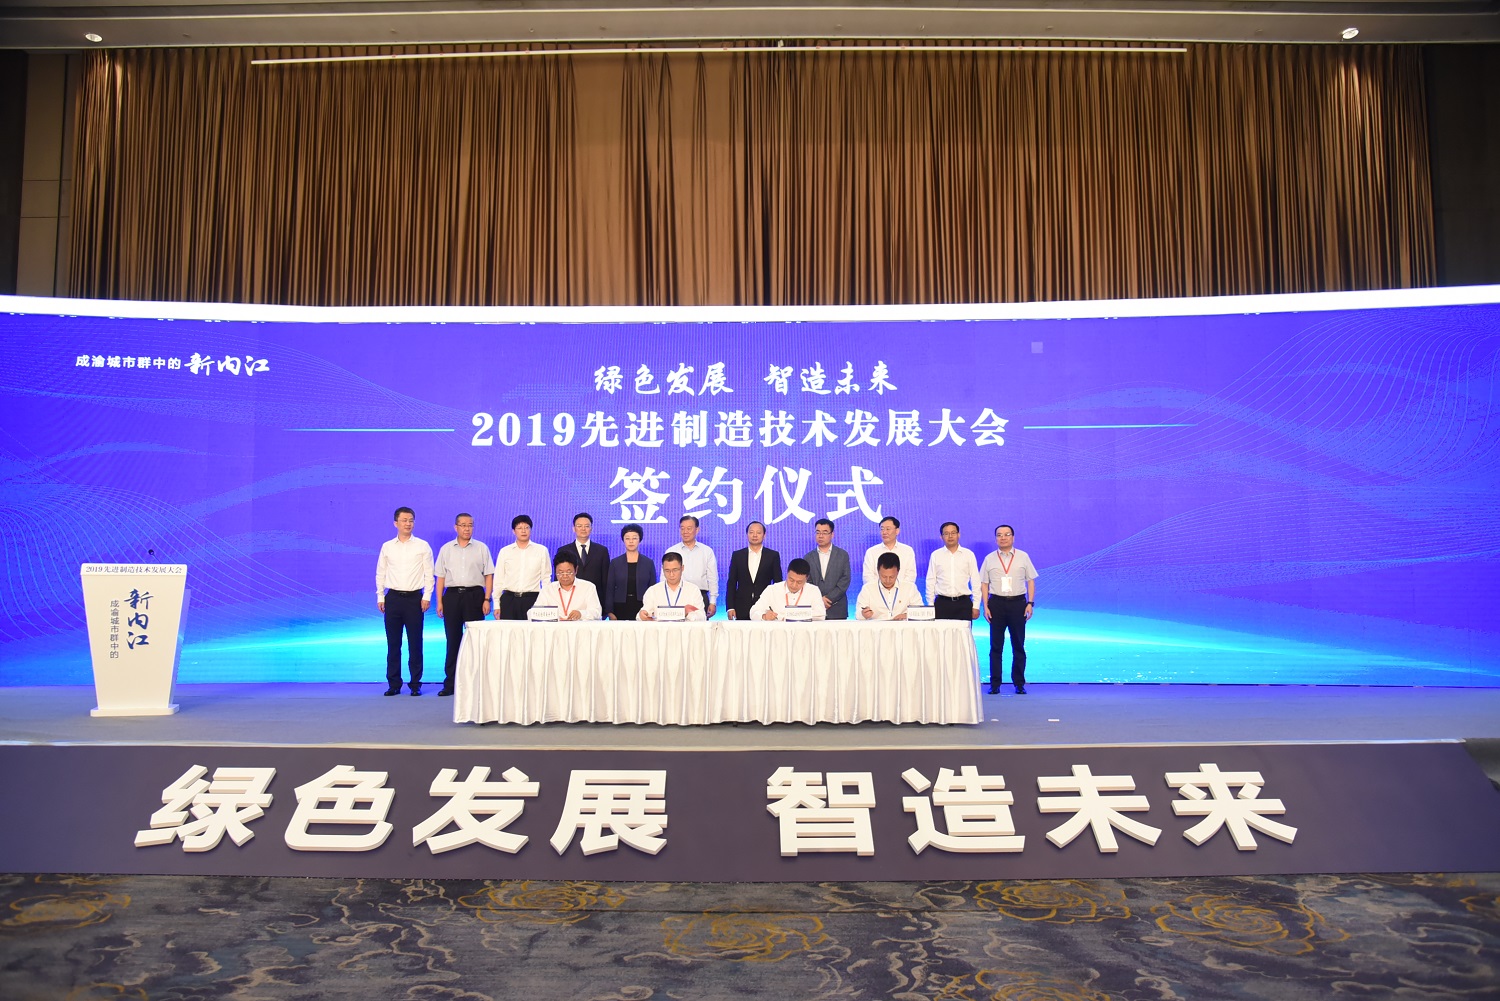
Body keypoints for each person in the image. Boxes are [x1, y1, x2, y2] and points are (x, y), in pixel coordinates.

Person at [432, 512, 494, 696]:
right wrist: (439, 601)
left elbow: (488, 575)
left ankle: (475, 683)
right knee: (453, 640)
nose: (467, 529)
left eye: (470, 525)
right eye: (464, 525)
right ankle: (450, 683)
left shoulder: (481, 548)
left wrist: (487, 598)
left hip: (475, 596)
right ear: (456, 527)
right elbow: (440, 577)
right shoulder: (446, 549)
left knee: (475, 641)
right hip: (452, 596)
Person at [375, 506, 433, 696]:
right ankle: (394, 684)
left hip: (414, 599)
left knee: (415, 643)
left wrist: (426, 596)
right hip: (392, 598)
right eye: (404, 520)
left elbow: (429, 573)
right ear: (396, 523)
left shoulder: (422, 546)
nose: (408, 524)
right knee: (393, 644)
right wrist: (380, 596)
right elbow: (381, 572)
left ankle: (415, 684)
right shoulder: (387, 546)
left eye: (411, 520)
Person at [980, 524, 1039, 695]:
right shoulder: (989, 559)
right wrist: (985, 606)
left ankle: (1019, 683)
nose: (1003, 538)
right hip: (996, 604)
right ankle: (995, 684)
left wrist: (1030, 603)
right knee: (995, 646)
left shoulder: (1023, 557)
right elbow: (984, 584)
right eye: (999, 535)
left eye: (1006, 534)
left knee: (1018, 645)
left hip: (1018, 604)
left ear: (1013, 537)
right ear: (995, 538)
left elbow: (1031, 581)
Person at [495, 514, 550, 620]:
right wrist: (497, 604)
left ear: (531, 530)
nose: (523, 531)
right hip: (509, 600)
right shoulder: (505, 551)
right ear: (514, 531)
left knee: (531, 630)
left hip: (532, 600)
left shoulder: (541, 550)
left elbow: (546, 579)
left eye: (526, 528)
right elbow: (499, 579)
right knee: (508, 630)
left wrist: (545, 602)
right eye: (519, 528)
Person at [925, 521, 982, 621]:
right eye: (946, 533)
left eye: (953, 533)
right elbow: (931, 581)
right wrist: (930, 605)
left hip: (963, 604)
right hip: (942, 604)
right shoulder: (936, 555)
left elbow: (975, 581)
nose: (950, 536)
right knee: (941, 631)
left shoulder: (968, 554)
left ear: (958, 534)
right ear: (941, 537)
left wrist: (976, 605)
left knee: (964, 631)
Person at [726, 520, 782, 621]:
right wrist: (730, 607)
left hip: (765, 606)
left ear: (764, 535)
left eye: (758, 532)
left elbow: (777, 583)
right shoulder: (737, 555)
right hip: (741, 607)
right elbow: (732, 583)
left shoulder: (773, 555)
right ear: (747, 534)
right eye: (751, 532)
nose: (755, 535)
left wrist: (777, 607)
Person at [665, 515, 718, 618]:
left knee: (700, 627)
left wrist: (713, 602)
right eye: (682, 528)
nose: (685, 532)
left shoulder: (707, 551)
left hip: (700, 596)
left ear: (697, 530)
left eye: (689, 528)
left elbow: (712, 578)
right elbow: (664, 577)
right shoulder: (671, 551)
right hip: (676, 596)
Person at [604, 523, 657, 621]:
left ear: (640, 540)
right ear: (623, 540)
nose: (631, 541)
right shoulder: (615, 563)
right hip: (619, 607)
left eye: (634, 538)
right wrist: (609, 611)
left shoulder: (648, 563)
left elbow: (653, 588)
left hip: (643, 607)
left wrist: (652, 608)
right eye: (627, 538)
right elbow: (610, 589)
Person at [803, 517, 852, 620]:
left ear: (832, 534)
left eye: (825, 532)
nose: (820, 536)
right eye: (818, 532)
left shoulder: (842, 555)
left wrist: (829, 598)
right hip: (815, 609)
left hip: (837, 608)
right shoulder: (808, 557)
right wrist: (819, 599)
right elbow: (807, 582)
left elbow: (845, 580)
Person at [749, 557, 826, 620]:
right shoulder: (772, 590)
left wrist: (792, 616)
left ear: (807, 578)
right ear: (787, 574)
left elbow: (821, 614)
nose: (794, 585)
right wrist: (764, 616)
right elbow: (753, 612)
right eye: (791, 580)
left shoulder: (813, 591)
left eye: (799, 582)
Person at [638, 552, 707, 621]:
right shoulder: (653, 591)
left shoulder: (693, 590)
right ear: (662, 569)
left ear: (682, 568)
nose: (671, 574)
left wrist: (686, 614)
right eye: (667, 570)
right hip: (661, 628)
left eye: (675, 570)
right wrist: (642, 615)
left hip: (685, 628)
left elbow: (702, 617)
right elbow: (641, 615)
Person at [554, 512, 610, 595]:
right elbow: (558, 576)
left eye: (587, 526)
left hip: (595, 596)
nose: (583, 529)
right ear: (574, 528)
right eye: (579, 526)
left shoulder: (602, 551)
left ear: (591, 528)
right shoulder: (563, 550)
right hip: (569, 596)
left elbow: (606, 579)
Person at [535, 554, 602, 621]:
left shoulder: (588, 587)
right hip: (555, 627)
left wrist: (581, 614)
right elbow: (534, 613)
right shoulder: (547, 590)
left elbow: (597, 613)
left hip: (579, 626)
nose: (565, 576)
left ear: (576, 570)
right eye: (560, 572)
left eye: (569, 572)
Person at [862, 515, 917, 590]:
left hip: (902, 593)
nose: (884, 532)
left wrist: (901, 590)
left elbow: (910, 575)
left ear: (897, 531)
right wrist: (878, 591)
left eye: (888, 529)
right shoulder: (871, 552)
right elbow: (868, 576)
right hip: (877, 593)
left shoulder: (907, 551)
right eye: (882, 529)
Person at [855, 552, 912, 620]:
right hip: (876, 626)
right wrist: (863, 614)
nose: (888, 581)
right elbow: (858, 615)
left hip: (902, 626)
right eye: (884, 576)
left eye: (891, 577)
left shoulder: (910, 588)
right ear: (878, 571)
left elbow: (920, 612)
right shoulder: (868, 589)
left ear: (898, 571)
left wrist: (906, 615)